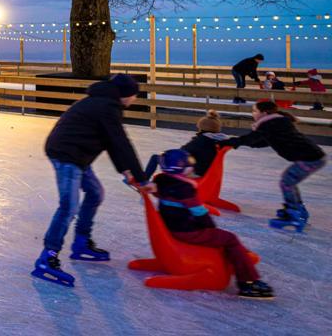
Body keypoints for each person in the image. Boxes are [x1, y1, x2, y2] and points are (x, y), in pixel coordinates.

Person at [32, 74, 149, 288]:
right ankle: (47, 257)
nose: (134, 100)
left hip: (78, 155)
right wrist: (141, 177)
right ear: (126, 94)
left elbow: (113, 143)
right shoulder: (107, 106)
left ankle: (81, 242)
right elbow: (121, 142)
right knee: (69, 206)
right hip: (67, 154)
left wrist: (127, 171)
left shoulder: (104, 103)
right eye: (134, 96)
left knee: (95, 193)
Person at [152, 149, 274, 299]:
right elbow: (199, 212)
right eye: (189, 163)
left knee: (223, 239)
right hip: (188, 231)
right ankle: (248, 282)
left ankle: (241, 258)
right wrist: (210, 228)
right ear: (181, 167)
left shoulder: (160, 181)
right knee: (230, 238)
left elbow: (157, 192)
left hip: (173, 227)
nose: (193, 167)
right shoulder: (185, 189)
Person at [225, 100, 326, 230]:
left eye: (255, 111)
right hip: (312, 156)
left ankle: (293, 214)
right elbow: (263, 142)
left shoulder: (270, 123)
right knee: (289, 182)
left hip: (310, 157)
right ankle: (297, 209)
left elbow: (251, 138)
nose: (252, 114)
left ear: (264, 113)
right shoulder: (276, 121)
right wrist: (238, 143)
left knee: (287, 182)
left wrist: (230, 142)